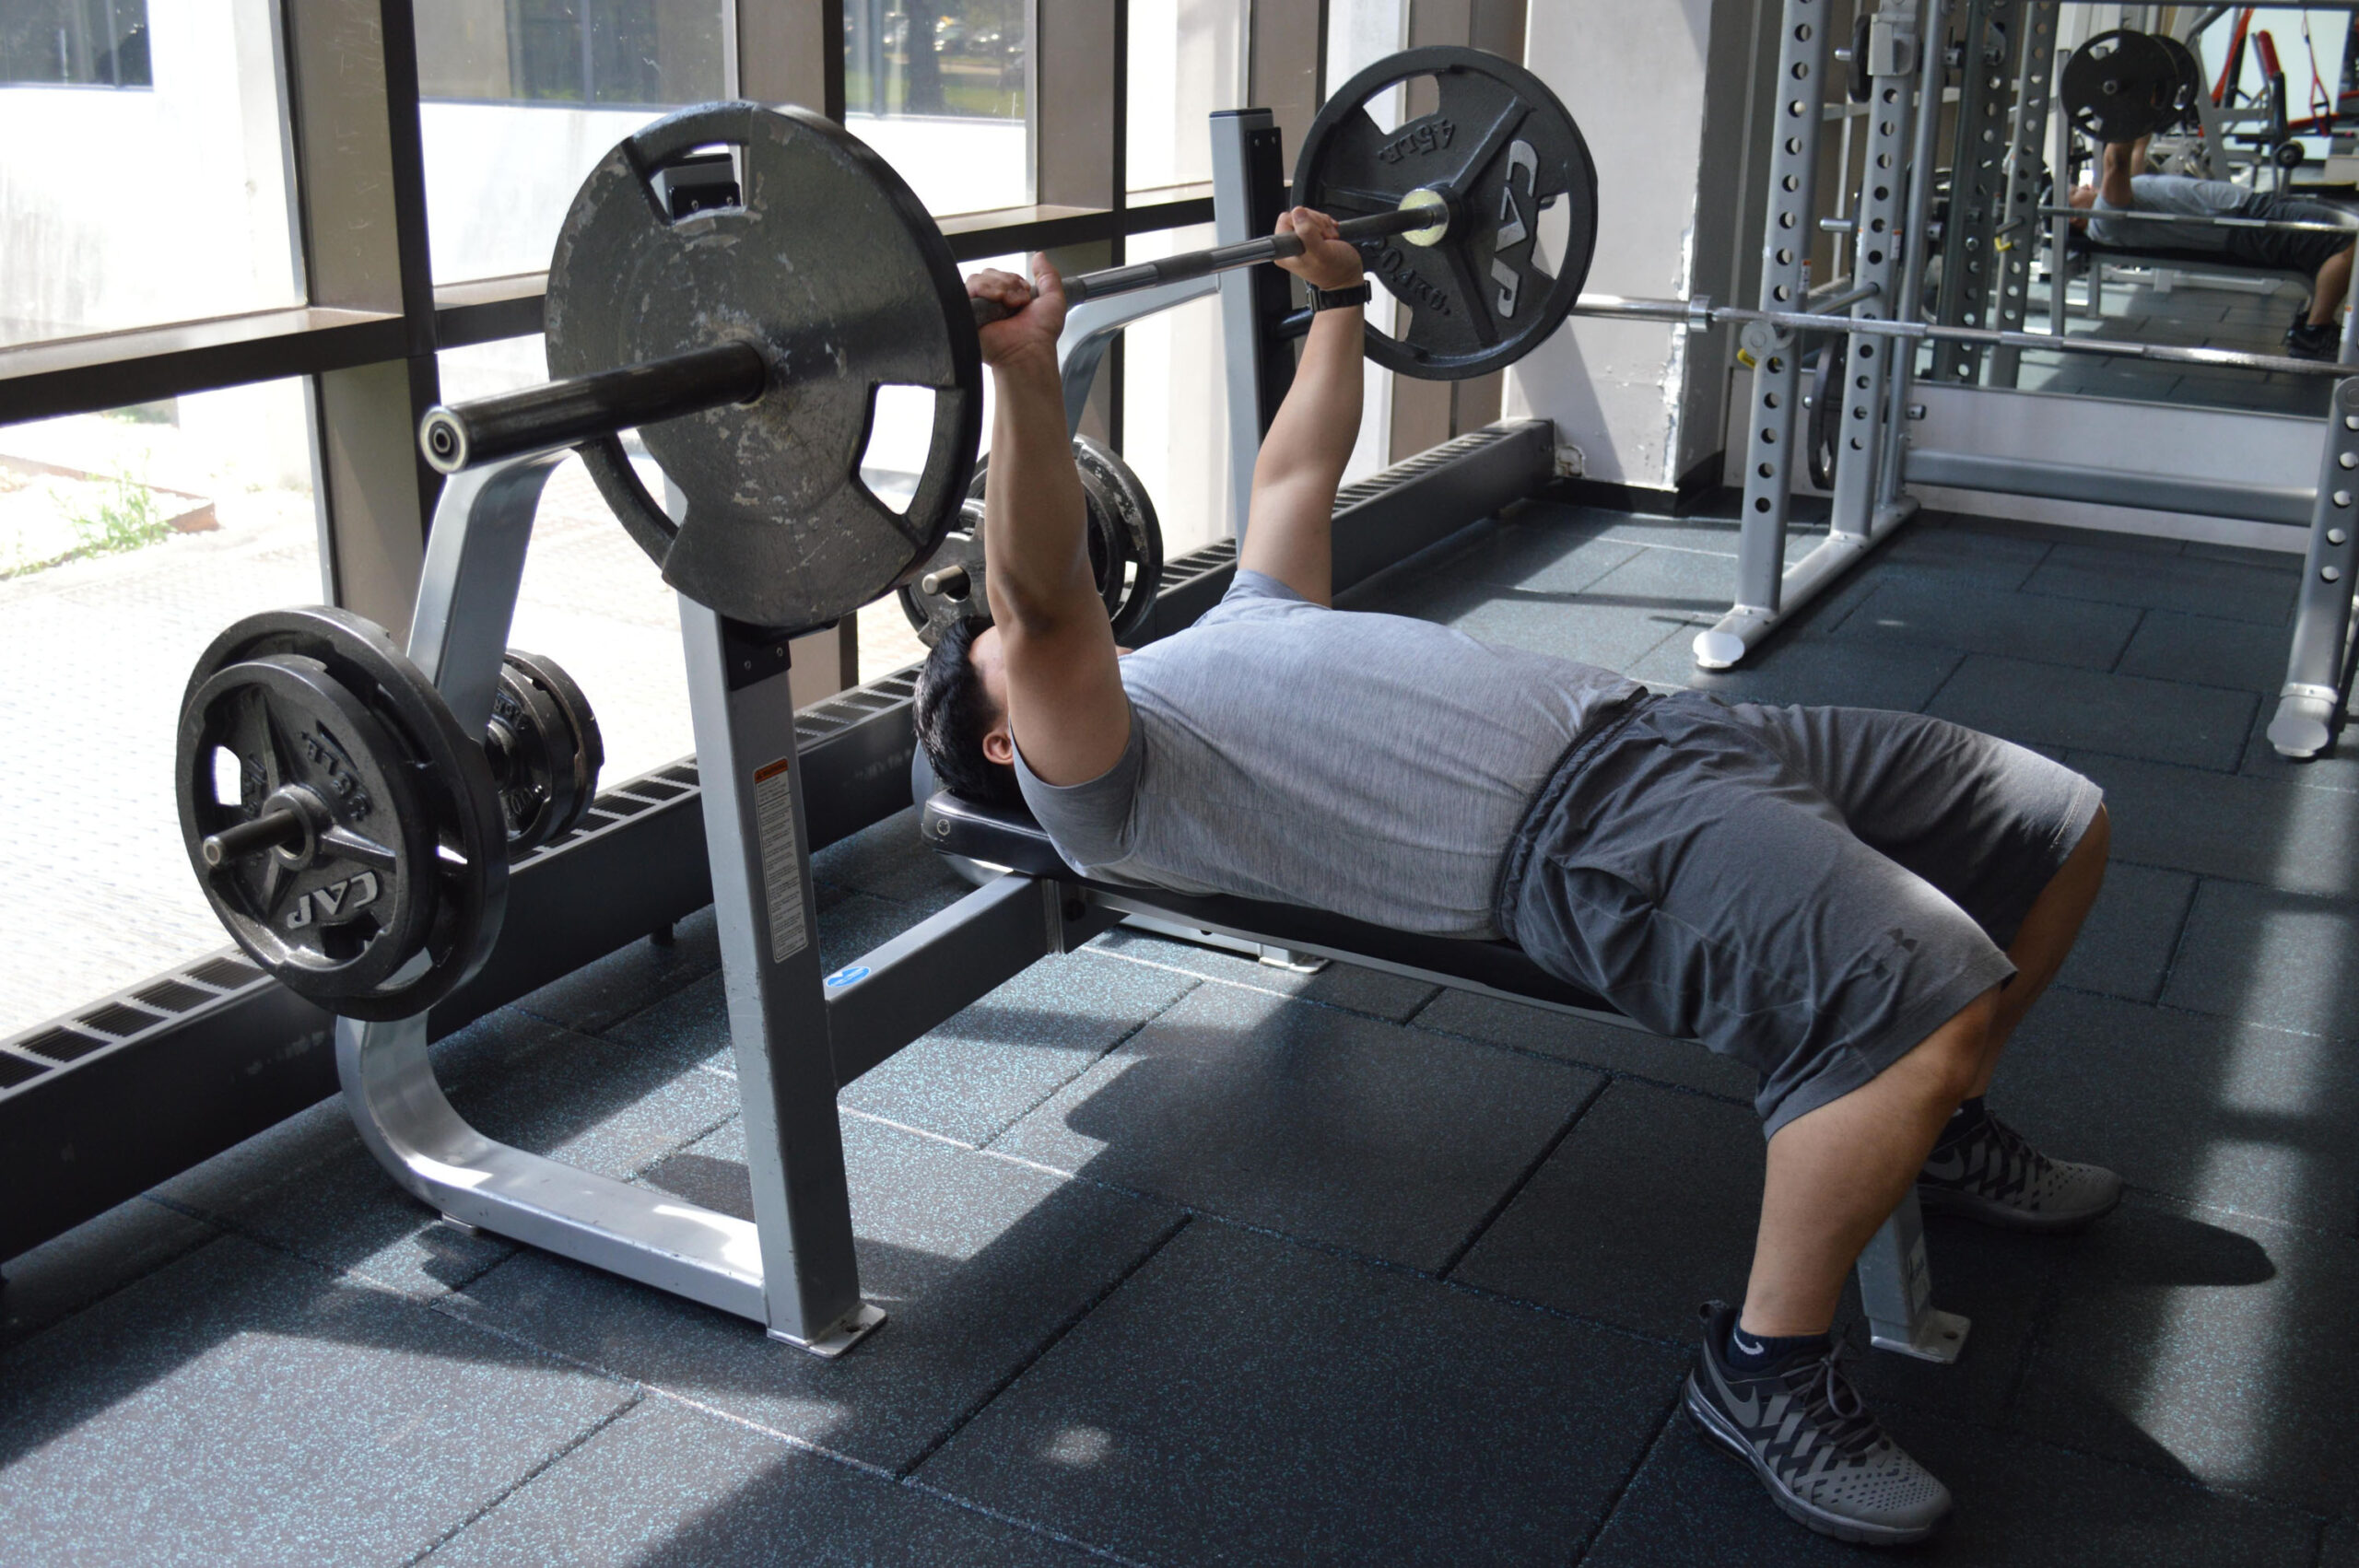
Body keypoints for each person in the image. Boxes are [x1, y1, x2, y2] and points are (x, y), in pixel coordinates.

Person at [917, 209, 2120, 1547]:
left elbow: (1292, 476)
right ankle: (1766, 1367)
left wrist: (1337, 298)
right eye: (997, 660)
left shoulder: (1225, 634)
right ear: (1003, 738)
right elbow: (1042, 607)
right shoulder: (1099, 785)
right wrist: (1026, 375)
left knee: (2056, 822)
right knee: (1918, 998)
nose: (1010, 639)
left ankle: (1927, 1129)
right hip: (1588, 838)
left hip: (1677, 730)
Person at [2067, 137, 2355, 359]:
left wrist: (2145, 107)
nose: (2084, 187)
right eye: (2075, 191)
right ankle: (2314, 333)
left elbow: (2133, 153)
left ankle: (2311, 321)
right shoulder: (2104, 219)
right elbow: (2116, 159)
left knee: (2341, 228)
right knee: (2349, 238)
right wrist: (2121, 110)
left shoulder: (2117, 203)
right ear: (2076, 217)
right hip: (2246, 223)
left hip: (2250, 209)